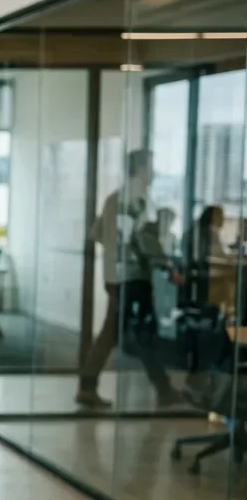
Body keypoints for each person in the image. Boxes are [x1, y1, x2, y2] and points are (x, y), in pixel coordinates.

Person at [77, 150, 183, 409]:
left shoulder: (113, 199)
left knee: (134, 333)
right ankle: (88, 387)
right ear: (141, 169)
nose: (154, 172)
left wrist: (115, 253)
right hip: (133, 277)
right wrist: (165, 264)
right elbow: (144, 241)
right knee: (120, 332)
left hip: (114, 275)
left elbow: (97, 233)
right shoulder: (139, 202)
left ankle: (163, 388)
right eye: (151, 166)